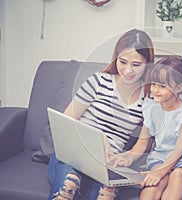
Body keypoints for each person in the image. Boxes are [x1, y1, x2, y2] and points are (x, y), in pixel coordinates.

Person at [47, 28, 154, 200]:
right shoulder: (98, 81)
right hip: (76, 152)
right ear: (115, 58)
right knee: (69, 183)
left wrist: (127, 159)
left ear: (148, 63)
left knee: (103, 195)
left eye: (136, 65)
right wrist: (97, 138)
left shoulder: (149, 96)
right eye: (123, 62)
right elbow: (65, 123)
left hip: (107, 164)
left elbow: (141, 145)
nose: (128, 70)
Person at [112, 56, 182, 200]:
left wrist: (162, 171)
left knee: (176, 174)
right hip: (160, 158)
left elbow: (179, 151)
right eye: (154, 84)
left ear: (179, 87)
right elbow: (142, 144)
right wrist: (128, 158)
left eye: (162, 86)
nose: (155, 90)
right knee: (156, 176)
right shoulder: (151, 108)